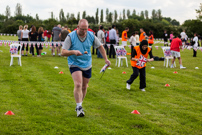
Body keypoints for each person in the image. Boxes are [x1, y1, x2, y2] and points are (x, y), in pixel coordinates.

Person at [61, 19, 111, 117]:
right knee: (78, 84)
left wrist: (106, 59)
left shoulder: (91, 35)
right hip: (74, 62)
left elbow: (100, 46)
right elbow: (63, 52)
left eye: (86, 29)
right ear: (78, 27)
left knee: (84, 86)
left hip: (87, 63)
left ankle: (79, 104)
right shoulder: (71, 36)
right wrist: (73, 52)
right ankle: (79, 108)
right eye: (82, 29)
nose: (84, 32)